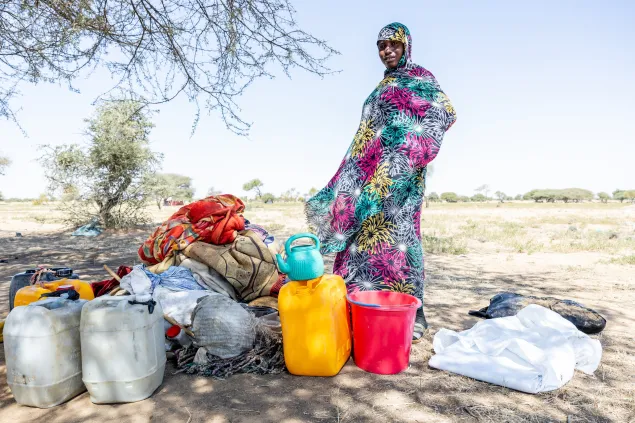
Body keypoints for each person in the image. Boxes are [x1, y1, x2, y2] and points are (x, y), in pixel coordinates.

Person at [305, 22, 456, 342]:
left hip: (402, 183)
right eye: (381, 46)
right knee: (362, 243)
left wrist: (406, 156)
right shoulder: (381, 87)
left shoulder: (420, 80)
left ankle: (411, 314)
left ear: (406, 47)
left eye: (393, 45)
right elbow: (367, 138)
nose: (387, 51)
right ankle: (357, 309)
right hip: (369, 181)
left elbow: (445, 111)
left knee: (400, 243)